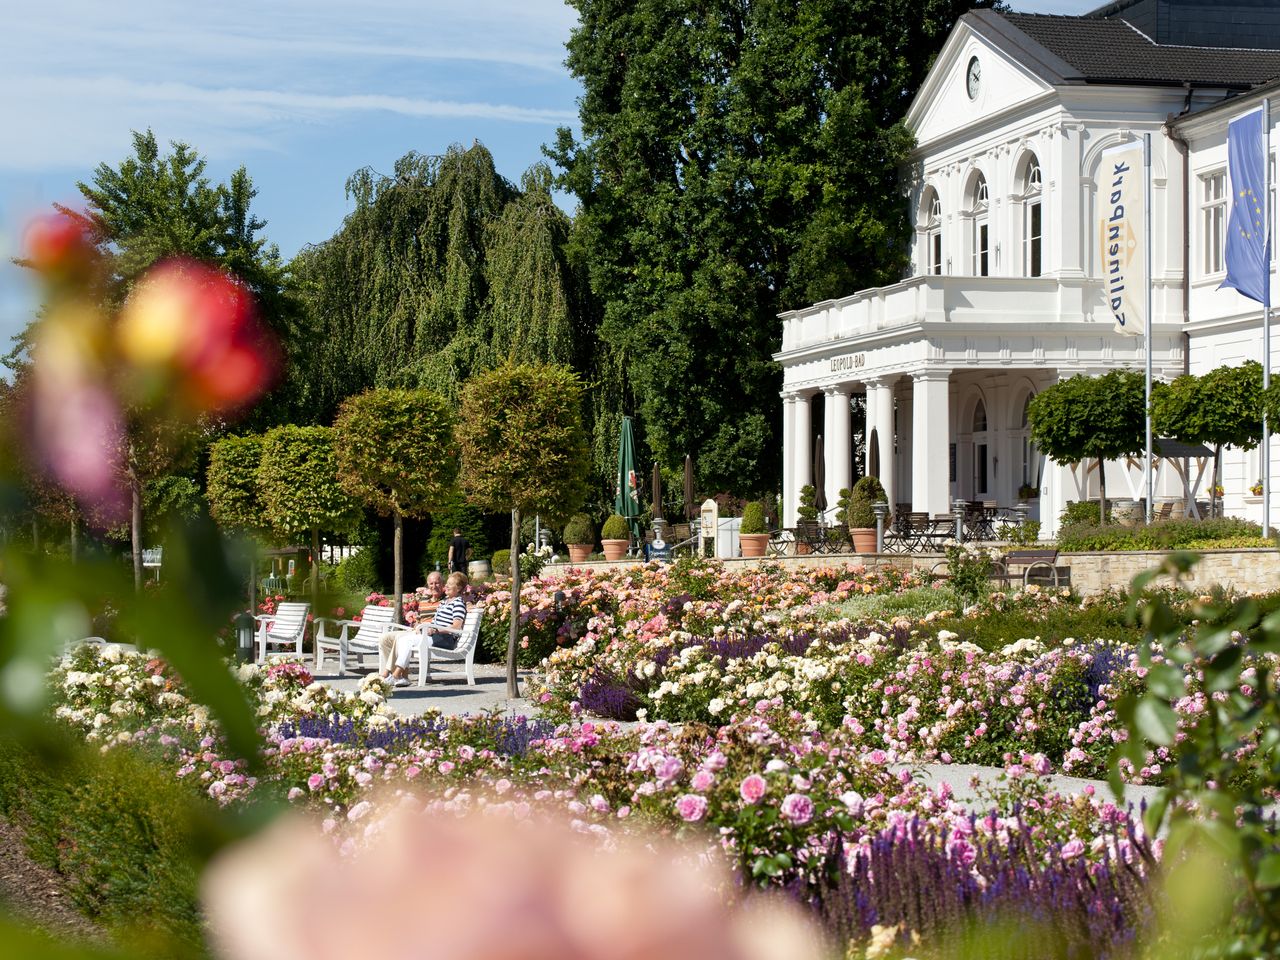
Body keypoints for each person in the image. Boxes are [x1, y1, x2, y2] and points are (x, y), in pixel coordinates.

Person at [388, 572, 469, 686]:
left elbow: (457, 626)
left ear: (459, 587)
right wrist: (424, 628)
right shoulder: (444, 602)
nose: (446, 586)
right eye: (447, 583)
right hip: (435, 637)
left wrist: (436, 630)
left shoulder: (458, 603)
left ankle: (395, 676)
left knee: (408, 640)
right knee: (403, 639)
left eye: (450, 584)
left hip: (445, 639)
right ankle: (400, 677)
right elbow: (435, 622)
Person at [378, 572, 444, 678]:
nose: (434, 586)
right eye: (431, 583)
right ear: (428, 585)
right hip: (417, 631)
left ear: (443, 584)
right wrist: (417, 625)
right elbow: (418, 618)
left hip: (429, 633)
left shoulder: (446, 601)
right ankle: (399, 674)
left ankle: (389, 674)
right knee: (384, 638)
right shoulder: (424, 599)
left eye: (437, 583)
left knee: (400, 638)